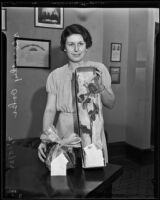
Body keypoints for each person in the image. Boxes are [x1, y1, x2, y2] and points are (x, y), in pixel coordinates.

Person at [38, 24, 115, 164]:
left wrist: (101, 87)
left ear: (87, 46)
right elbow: (50, 110)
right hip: (64, 136)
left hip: (93, 134)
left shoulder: (99, 69)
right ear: (64, 47)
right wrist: (46, 138)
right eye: (71, 44)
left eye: (80, 43)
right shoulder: (55, 75)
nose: (76, 49)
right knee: (64, 180)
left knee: (95, 179)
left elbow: (110, 103)